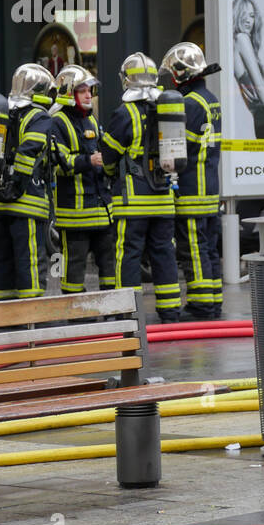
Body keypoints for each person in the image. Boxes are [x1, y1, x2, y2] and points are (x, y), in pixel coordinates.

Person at [99, 53, 181, 323]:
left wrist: (112, 176)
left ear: (126, 80)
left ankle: (129, 313)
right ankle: (170, 311)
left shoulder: (125, 113)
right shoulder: (167, 109)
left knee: (129, 254)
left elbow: (109, 155)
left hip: (133, 201)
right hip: (164, 198)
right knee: (164, 252)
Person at [161, 41, 224, 321]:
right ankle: (214, 300)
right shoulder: (210, 99)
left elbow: (178, 149)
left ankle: (200, 304)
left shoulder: (188, 104)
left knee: (193, 249)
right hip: (210, 186)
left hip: (190, 188)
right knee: (209, 247)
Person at [0, 63, 55, 301]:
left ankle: (5, 319)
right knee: (29, 262)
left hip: (0, 201)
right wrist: (17, 185)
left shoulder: (4, 112)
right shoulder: (39, 117)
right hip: (26, 200)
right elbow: (29, 151)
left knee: (3, 262)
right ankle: (31, 320)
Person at [49, 64, 115, 295]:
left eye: (90, 90)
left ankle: (112, 310)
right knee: (74, 269)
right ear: (69, 93)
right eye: (82, 90)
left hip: (102, 209)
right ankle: (75, 314)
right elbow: (60, 163)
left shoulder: (92, 121)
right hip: (75, 215)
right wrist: (90, 161)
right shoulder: (57, 122)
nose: (89, 95)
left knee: (110, 265)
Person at [232, 0, 264, 140]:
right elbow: (259, 86)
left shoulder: (239, 42)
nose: (248, 20)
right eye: (243, 14)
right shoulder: (241, 38)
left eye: (251, 15)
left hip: (263, 121)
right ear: (236, 15)